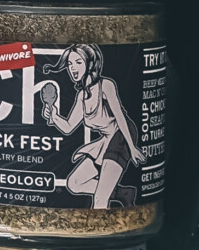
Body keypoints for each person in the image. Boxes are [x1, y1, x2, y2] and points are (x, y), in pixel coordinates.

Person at [37, 43, 142, 209]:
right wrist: (54, 115)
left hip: (121, 135)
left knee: (100, 200)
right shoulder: (81, 96)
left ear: (90, 64)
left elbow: (120, 116)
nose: (73, 68)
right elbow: (68, 127)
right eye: (70, 64)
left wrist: (132, 147)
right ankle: (122, 193)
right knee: (74, 183)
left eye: (78, 62)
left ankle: (105, 231)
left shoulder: (106, 85)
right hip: (106, 139)